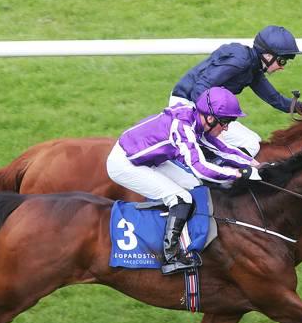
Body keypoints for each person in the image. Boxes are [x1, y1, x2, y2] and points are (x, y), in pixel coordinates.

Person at [107, 87, 259, 275]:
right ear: (210, 118)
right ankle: (170, 257)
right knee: (181, 198)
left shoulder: (196, 120)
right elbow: (200, 168)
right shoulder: (183, 128)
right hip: (125, 163)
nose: (227, 128)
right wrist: (237, 174)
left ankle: (187, 236)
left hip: (150, 158)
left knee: (194, 186)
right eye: (225, 122)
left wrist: (254, 164)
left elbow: (222, 149)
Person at [169, 25, 302, 156]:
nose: (282, 67)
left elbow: (275, 99)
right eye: (282, 61)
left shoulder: (253, 68)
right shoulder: (240, 61)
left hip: (203, 108)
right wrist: (214, 123)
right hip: (188, 105)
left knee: (253, 141)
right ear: (268, 56)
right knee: (249, 143)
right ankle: (208, 171)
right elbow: (200, 89)